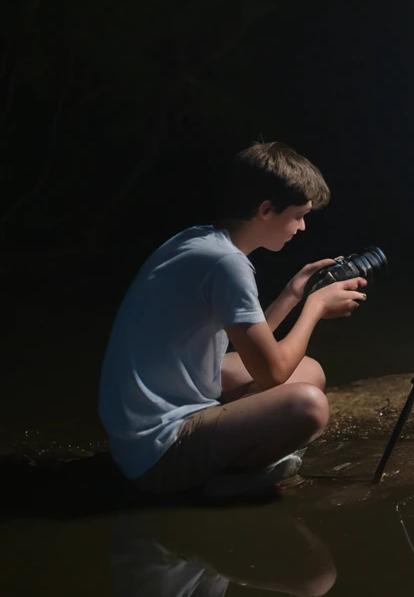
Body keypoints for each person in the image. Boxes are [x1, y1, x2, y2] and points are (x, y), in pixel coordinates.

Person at [97, 141, 369, 496]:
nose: (301, 227)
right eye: (299, 215)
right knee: (309, 405)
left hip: (136, 438)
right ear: (267, 209)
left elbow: (251, 348)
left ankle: (224, 451)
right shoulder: (227, 264)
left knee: (309, 370)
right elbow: (271, 373)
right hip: (156, 455)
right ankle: (222, 482)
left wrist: (292, 294)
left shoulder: (199, 241)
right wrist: (314, 308)